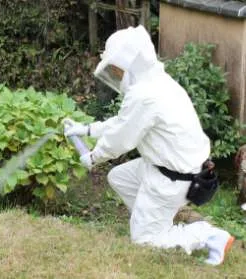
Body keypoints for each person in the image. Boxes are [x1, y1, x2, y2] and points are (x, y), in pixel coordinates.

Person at [63, 25, 234, 266]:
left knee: (143, 241)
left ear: (131, 64)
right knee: (119, 177)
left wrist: (93, 157)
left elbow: (120, 140)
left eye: (117, 70)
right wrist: (88, 129)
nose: (117, 76)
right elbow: (126, 122)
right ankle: (154, 221)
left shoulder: (145, 94)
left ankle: (208, 236)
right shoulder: (157, 83)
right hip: (169, 168)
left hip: (174, 179)